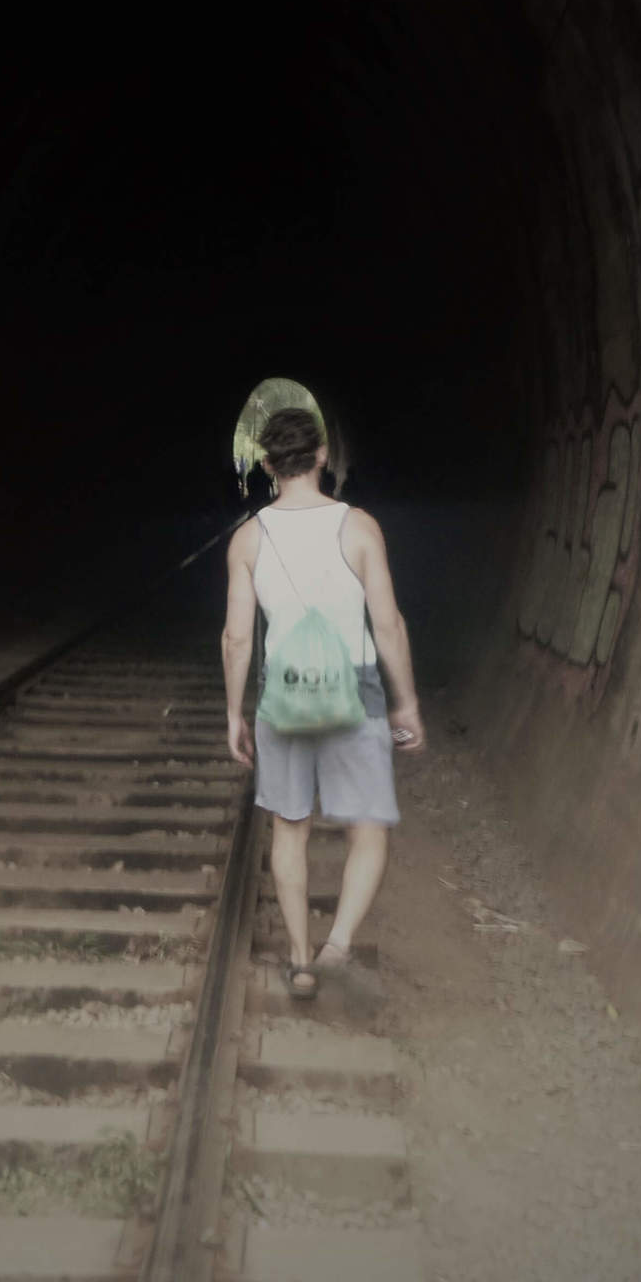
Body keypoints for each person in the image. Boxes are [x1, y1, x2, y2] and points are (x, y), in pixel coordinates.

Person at [221, 406, 426, 1000]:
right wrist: (405, 702)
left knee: (290, 829)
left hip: (282, 695)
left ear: (266, 466)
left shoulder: (249, 538)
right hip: (355, 689)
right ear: (321, 458)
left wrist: (236, 713)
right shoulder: (360, 527)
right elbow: (387, 624)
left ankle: (301, 958)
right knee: (367, 826)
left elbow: (237, 638)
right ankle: (338, 943)